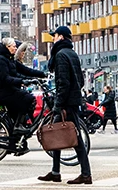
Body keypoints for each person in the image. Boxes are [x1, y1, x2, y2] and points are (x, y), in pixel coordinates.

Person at [38, 25, 91, 185]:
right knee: (56, 136)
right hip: (72, 101)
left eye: (54, 36)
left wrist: (58, 105)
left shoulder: (61, 55)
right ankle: (55, 172)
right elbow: (80, 80)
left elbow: (63, 83)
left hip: (66, 103)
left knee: (74, 139)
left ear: (61, 37)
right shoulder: (72, 53)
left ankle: (86, 174)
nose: (53, 39)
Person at [0, 38, 46, 140]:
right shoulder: (1, 60)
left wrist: (42, 74)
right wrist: (22, 81)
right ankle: (18, 126)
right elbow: (6, 78)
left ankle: (18, 134)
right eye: (14, 46)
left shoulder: (10, 59)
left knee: (25, 99)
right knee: (27, 98)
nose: (16, 48)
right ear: (7, 47)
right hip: (0, 91)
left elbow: (26, 70)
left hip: (7, 90)